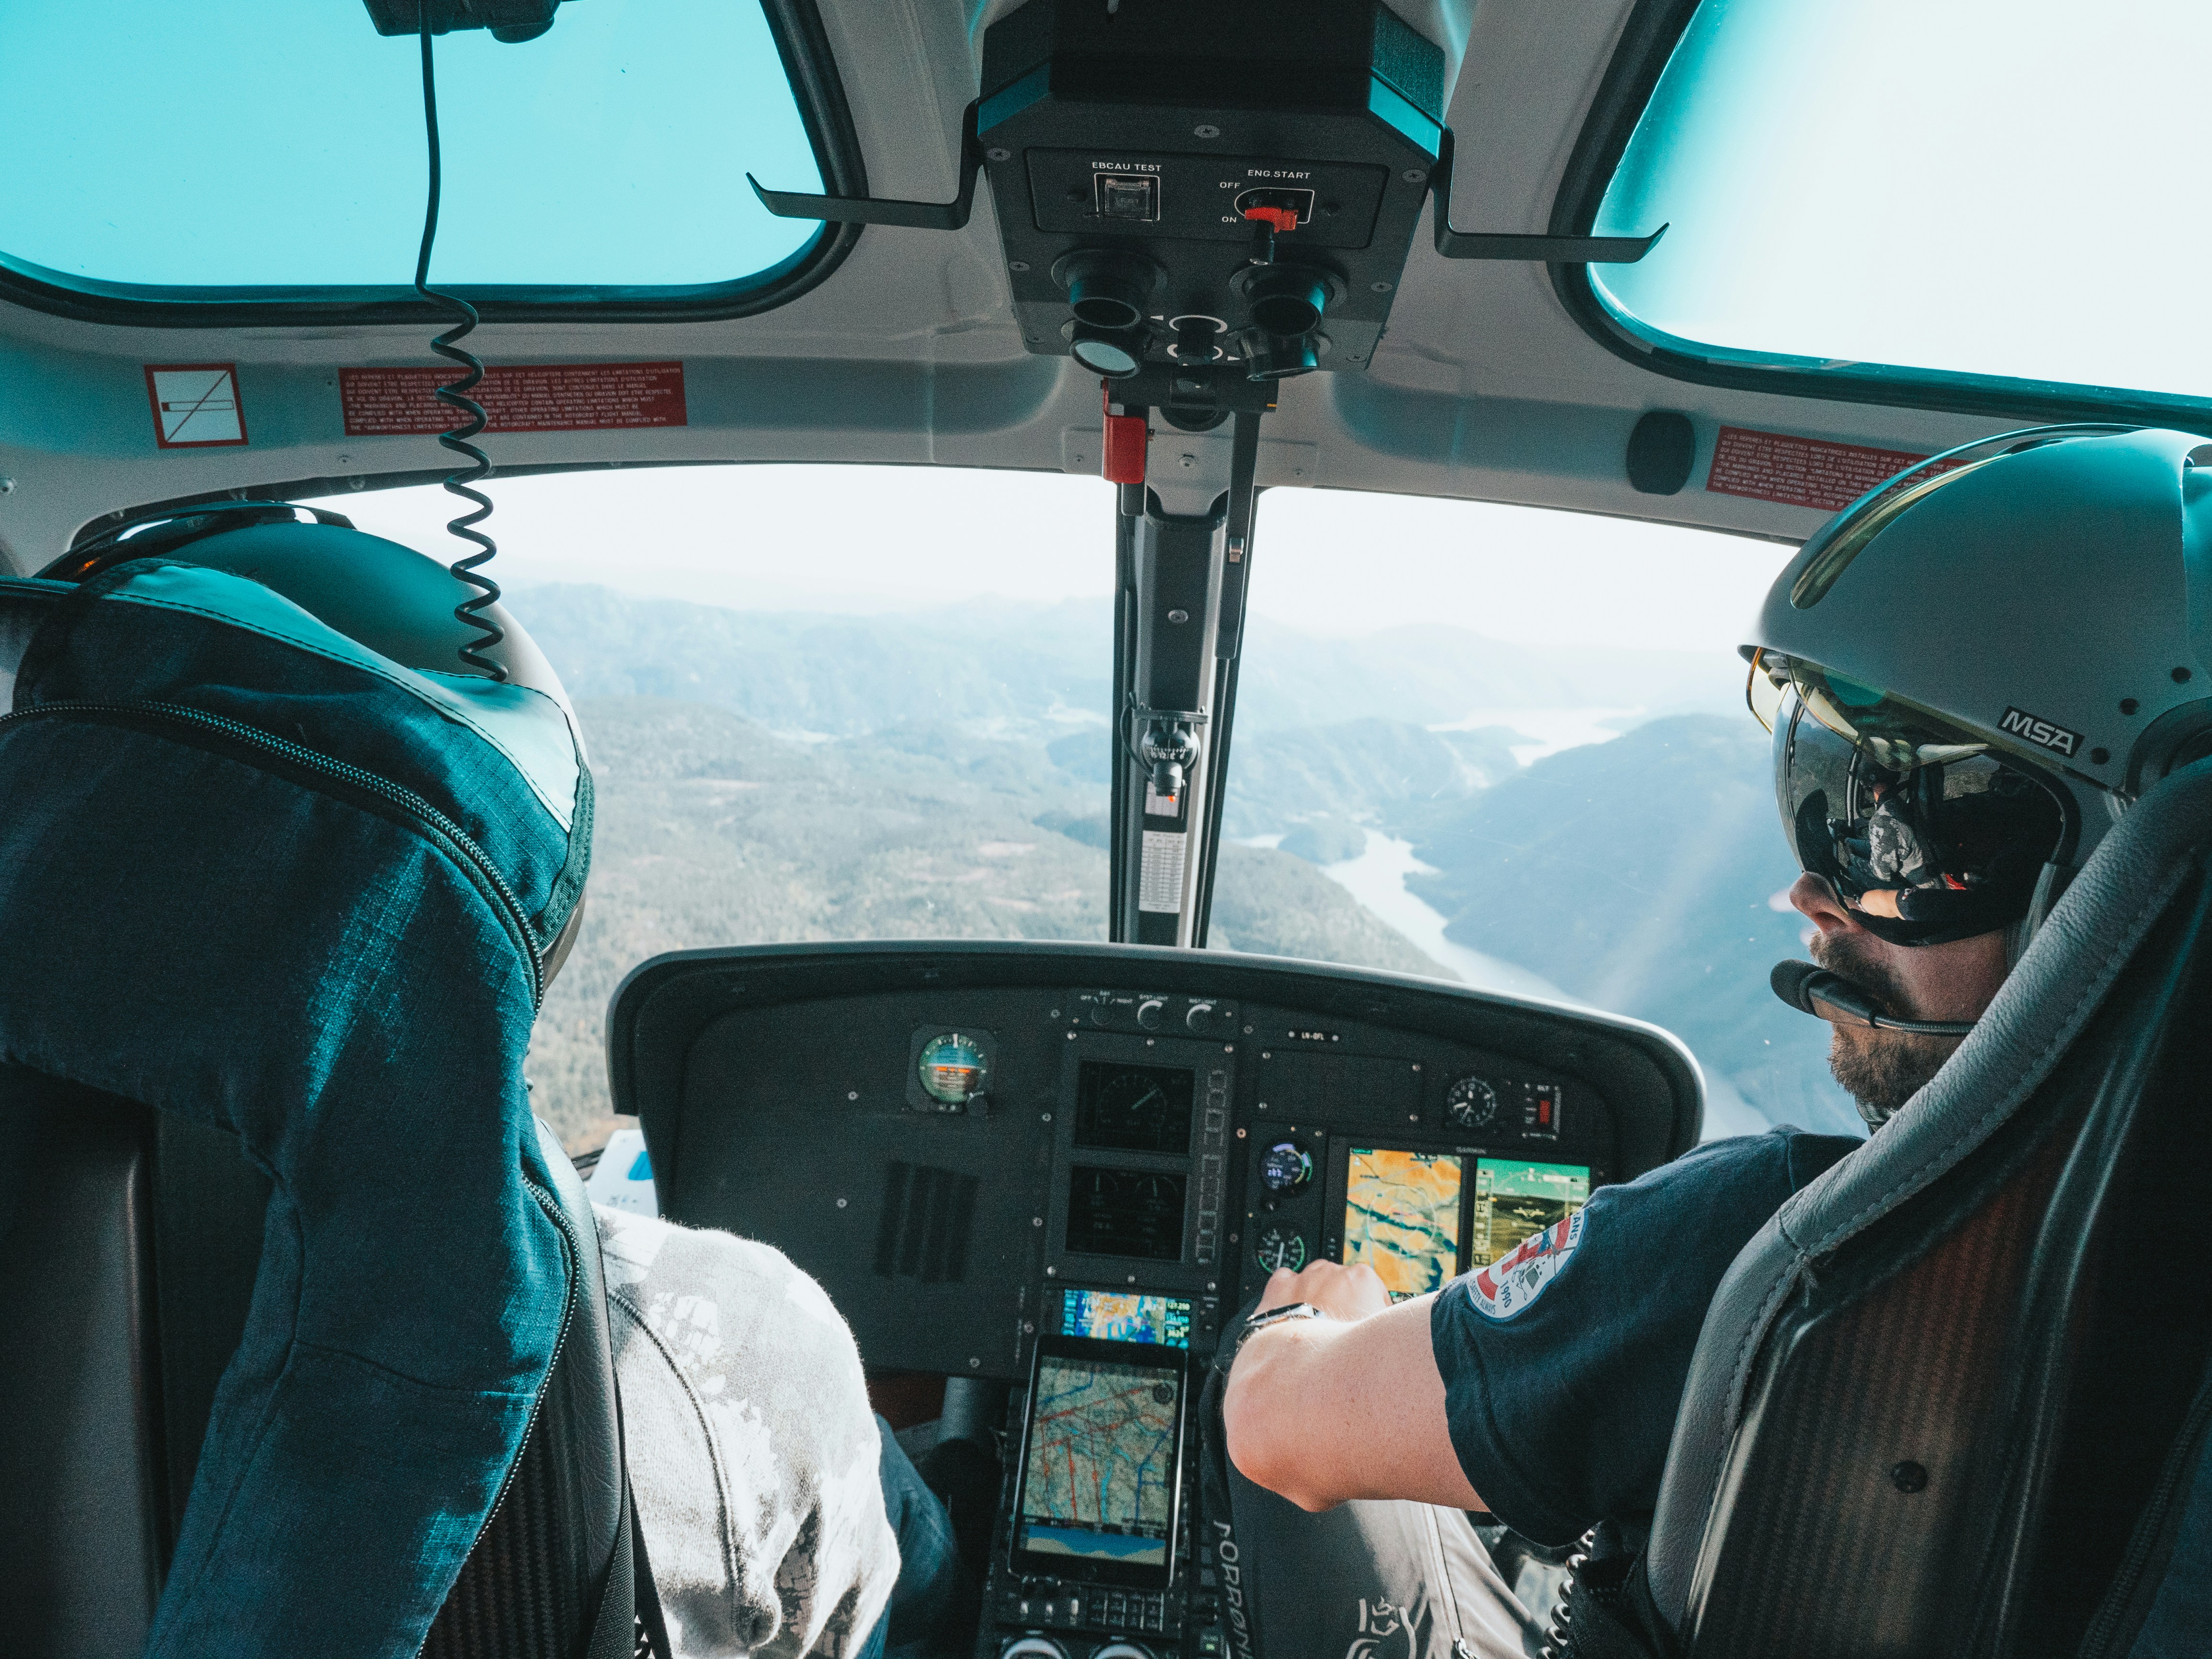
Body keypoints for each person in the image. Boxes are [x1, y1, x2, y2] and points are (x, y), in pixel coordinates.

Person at [1218, 424, 2212, 1658]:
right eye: (1827, 790)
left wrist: (1305, 1325)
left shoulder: (1789, 1251)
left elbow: (1281, 1433)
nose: (1813, 893)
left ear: (2123, 885)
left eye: (1892, 831)